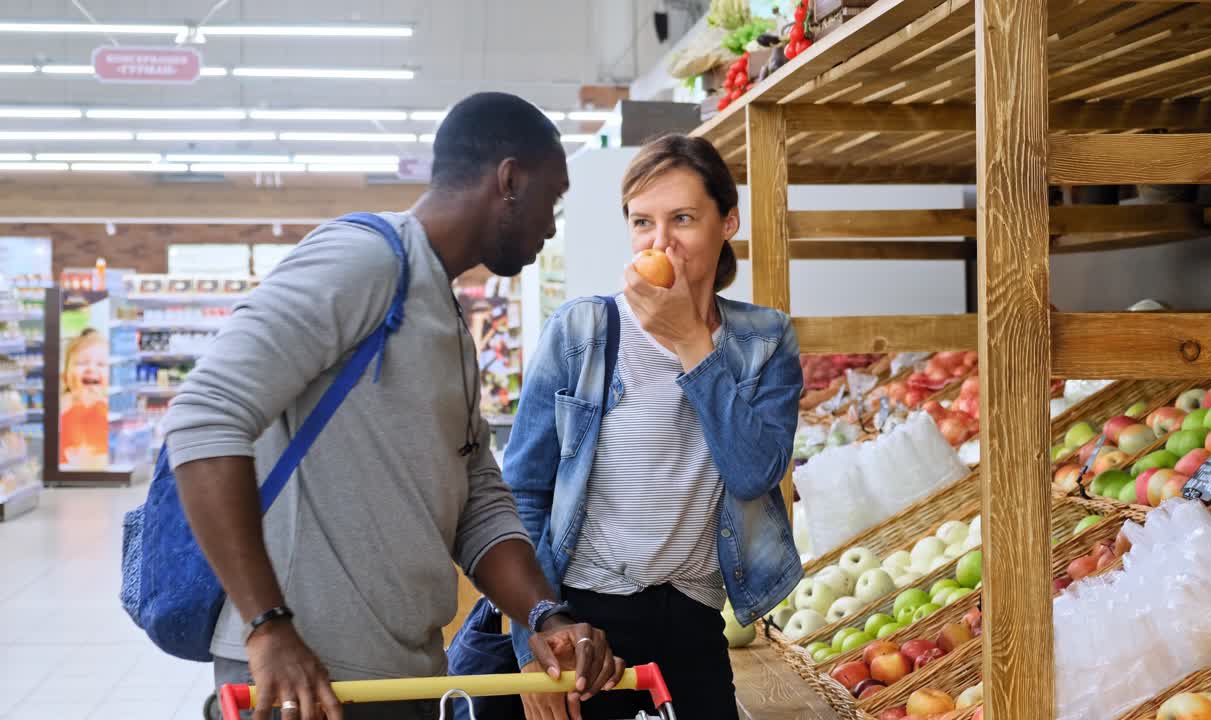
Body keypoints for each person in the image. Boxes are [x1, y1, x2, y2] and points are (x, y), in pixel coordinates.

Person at [163, 92, 623, 720]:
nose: (552, 222)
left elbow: (477, 502)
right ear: (510, 180)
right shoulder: (364, 259)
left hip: (404, 678)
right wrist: (268, 626)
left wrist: (545, 614)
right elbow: (204, 415)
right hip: (304, 680)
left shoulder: (444, 316)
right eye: (553, 197)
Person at [503, 134, 805, 720]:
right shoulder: (582, 331)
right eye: (643, 222)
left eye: (683, 218)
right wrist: (534, 639)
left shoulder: (764, 340)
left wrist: (692, 341)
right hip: (586, 621)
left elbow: (753, 473)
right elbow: (522, 496)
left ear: (728, 222)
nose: (660, 241)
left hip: (693, 616)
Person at [59, 328, 109, 469]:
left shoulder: (110, 409)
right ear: (65, 375)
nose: (91, 368)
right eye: (81, 363)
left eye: (101, 364)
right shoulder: (62, 406)